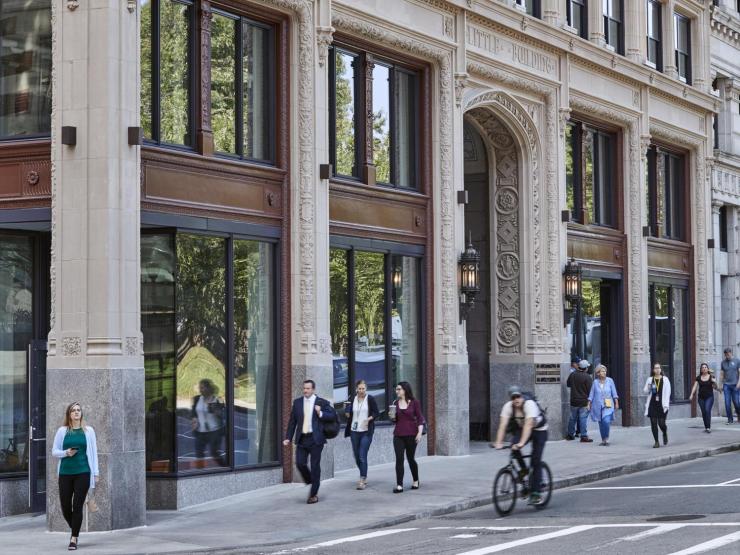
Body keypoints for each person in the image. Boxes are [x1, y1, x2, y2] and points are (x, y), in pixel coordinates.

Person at [51, 402, 100, 551]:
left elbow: (94, 453)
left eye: (79, 410)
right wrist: (66, 452)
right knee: (65, 507)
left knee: (77, 506)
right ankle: (76, 527)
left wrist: (96, 473)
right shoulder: (62, 431)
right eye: (74, 410)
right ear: (69, 414)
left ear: (81, 413)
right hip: (65, 473)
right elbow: (54, 451)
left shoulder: (88, 431)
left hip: (83, 472)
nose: (77, 412)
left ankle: (74, 539)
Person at [283, 380, 336, 503]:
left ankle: (313, 494)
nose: (305, 390)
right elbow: (292, 422)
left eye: (308, 388)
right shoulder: (297, 403)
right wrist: (288, 438)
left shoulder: (321, 402)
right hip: (302, 438)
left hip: (316, 439)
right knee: (300, 463)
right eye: (304, 388)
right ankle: (312, 481)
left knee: (315, 466)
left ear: (313, 390)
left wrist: (320, 412)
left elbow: (332, 415)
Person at [494, 385, 548, 505]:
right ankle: (523, 470)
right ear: (510, 399)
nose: (516, 399)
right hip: (523, 429)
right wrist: (498, 442)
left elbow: (529, 425)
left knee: (535, 460)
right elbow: (502, 425)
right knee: (514, 446)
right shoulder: (508, 407)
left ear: (522, 396)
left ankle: (536, 494)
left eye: (518, 396)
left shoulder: (529, 405)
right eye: (513, 397)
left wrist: (522, 443)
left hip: (539, 431)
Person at [344, 379, 380, 490]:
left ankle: (362, 479)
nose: (361, 390)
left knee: (362, 455)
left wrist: (369, 419)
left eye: (363, 388)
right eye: (359, 388)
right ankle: (363, 473)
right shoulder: (352, 399)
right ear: (356, 389)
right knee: (356, 455)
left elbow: (376, 412)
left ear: (366, 389)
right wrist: (346, 412)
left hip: (366, 431)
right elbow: (347, 414)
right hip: (354, 430)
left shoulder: (370, 399)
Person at [390, 381, 425, 493]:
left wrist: (419, 433)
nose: (397, 391)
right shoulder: (395, 403)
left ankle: (416, 480)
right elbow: (395, 421)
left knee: (410, 459)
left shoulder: (415, 402)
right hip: (398, 435)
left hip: (411, 434)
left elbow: (420, 418)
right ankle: (399, 485)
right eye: (396, 389)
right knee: (399, 459)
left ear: (405, 390)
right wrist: (392, 417)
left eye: (399, 389)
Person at [191, 378, 226, 468]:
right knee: (199, 455)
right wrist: (194, 419)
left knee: (214, 453)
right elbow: (194, 411)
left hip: (214, 432)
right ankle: (200, 472)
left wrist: (217, 412)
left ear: (208, 388)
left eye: (202, 388)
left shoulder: (217, 399)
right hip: (200, 431)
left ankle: (225, 468)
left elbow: (224, 415)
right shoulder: (197, 399)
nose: (200, 390)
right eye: (200, 388)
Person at [587, 365, 619, 446]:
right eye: (602, 371)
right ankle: (603, 439)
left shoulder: (610, 380)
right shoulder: (595, 382)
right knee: (601, 423)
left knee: (606, 421)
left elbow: (614, 392)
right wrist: (589, 404)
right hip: (597, 405)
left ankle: (607, 438)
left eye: (605, 371)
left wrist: (616, 402)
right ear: (598, 373)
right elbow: (591, 394)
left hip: (608, 405)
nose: (604, 372)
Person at [644, 363, 671, 448]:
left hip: (662, 404)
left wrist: (666, 404)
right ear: (653, 370)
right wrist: (648, 387)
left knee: (661, 424)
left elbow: (668, 392)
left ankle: (664, 432)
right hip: (652, 403)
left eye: (658, 368)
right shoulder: (650, 379)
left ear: (661, 369)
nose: (657, 370)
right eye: (655, 368)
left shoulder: (665, 379)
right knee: (653, 423)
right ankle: (656, 442)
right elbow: (645, 390)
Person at [566, 359, 593, 442]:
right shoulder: (587, 377)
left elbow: (568, 384)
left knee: (572, 418)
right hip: (584, 401)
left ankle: (570, 435)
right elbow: (590, 391)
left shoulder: (572, 375)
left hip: (574, 400)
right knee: (583, 419)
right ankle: (584, 436)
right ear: (585, 368)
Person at [689, 362, 718, 433]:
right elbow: (695, 386)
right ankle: (706, 426)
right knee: (704, 412)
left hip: (709, 397)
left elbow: (715, 387)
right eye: (703, 368)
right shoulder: (698, 378)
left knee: (707, 410)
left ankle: (708, 427)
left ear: (708, 369)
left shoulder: (711, 377)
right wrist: (692, 394)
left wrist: (714, 382)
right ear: (701, 370)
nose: (704, 368)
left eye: (705, 367)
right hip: (701, 398)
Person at [720, 347, 740, 424]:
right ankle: (730, 419)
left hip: (735, 385)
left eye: (728, 354)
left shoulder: (737, 361)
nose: (727, 356)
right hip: (726, 385)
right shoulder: (723, 362)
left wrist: (739, 383)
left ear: (731, 353)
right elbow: (722, 374)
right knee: (727, 403)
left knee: (736, 403)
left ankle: (739, 414)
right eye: (725, 355)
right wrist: (720, 385)